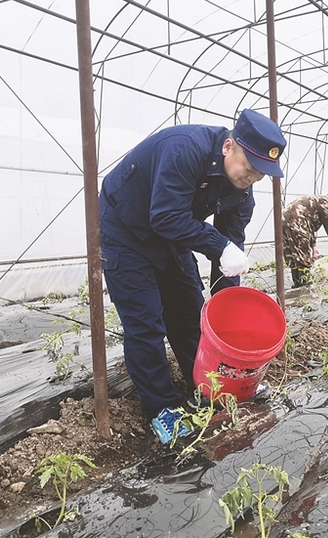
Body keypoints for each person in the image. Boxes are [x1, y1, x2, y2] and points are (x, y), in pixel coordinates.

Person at [99, 109, 286, 444]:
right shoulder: (184, 149)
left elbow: (230, 250)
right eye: (251, 167)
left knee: (190, 313)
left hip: (170, 236)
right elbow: (165, 215)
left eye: (262, 173)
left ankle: (209, 387)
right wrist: (219, 245)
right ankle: (161, 406)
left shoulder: (242, 191)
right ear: (229, 146)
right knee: (146, 323)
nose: (254, 177)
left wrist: (227, 309)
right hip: (127, 230)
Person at [282, 190, 328, 287]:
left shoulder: (316, 201)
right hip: (297, 221)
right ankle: (305, 286)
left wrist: (313, 246)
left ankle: (297, 284)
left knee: (292, 255)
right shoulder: (326, 202)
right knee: (303, 255)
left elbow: (308, 227)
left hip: (283, 221)